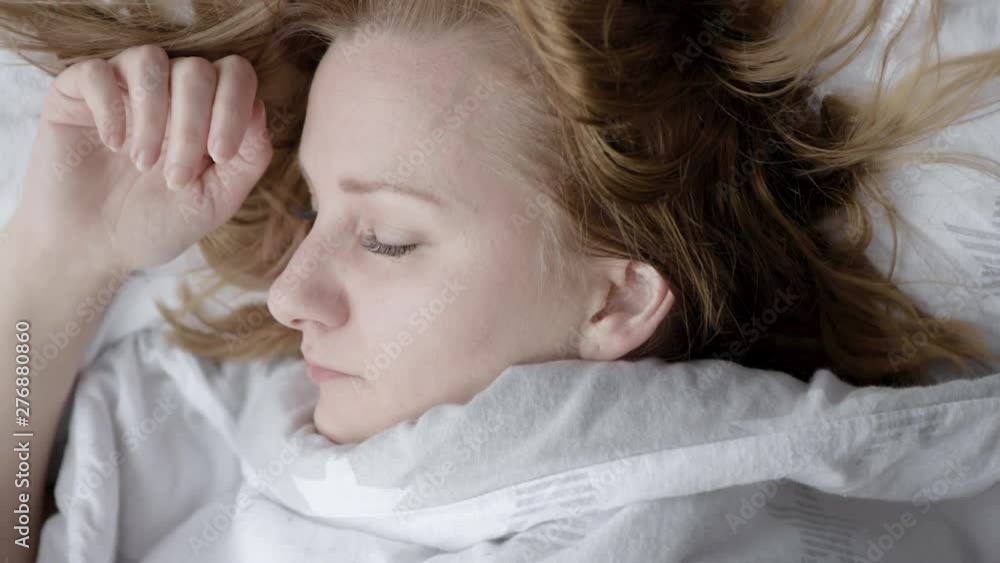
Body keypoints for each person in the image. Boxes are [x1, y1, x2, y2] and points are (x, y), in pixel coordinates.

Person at [2, 0, 999, 560]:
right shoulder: (211, 424)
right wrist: (57, 263)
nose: (288, 293)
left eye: (386, 237)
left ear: (613, 299)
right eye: (311, 211)